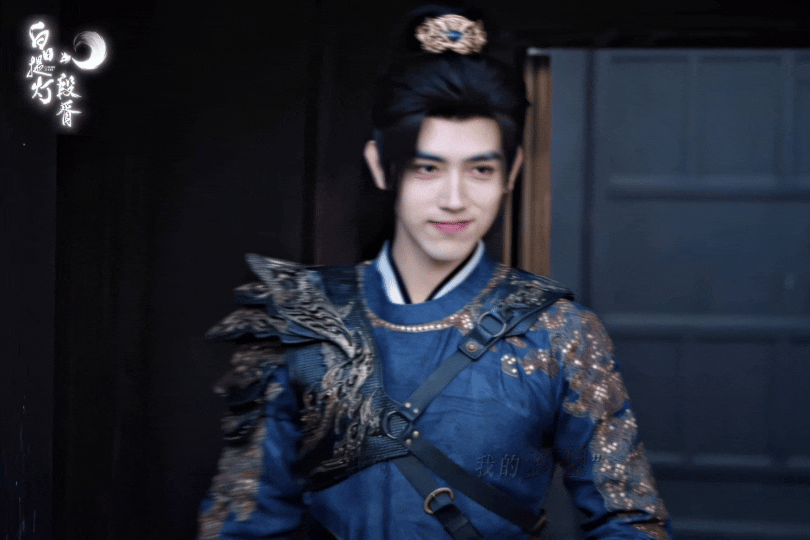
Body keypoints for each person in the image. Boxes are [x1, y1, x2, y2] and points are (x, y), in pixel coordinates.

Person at [197, 5, 672, 539]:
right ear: (381, 165)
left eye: (480, 169)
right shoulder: (299, 319)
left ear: (512, 172)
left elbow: (630, 520)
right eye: (428, 167)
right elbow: (243, 522)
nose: (454, 199)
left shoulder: (559, 334)